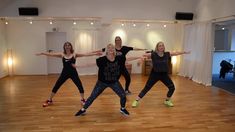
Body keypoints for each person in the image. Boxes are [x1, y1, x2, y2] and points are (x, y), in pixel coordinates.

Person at [36, 42, 101, 107]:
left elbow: (85, 54)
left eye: (68, 45)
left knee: (80, 85)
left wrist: (95, 54)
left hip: (73, 73)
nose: (67, 46)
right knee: (57, 85)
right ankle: (50, 100)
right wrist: (43, 53)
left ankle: (82, 99)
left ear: (71, 46)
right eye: (66, 45)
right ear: (64, 47)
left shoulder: (74, 54)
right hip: (64, 73)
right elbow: (51, 54)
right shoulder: (62, 54)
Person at [75, 43, 130, 117]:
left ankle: (122, 108)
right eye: (109, 48)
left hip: (114, 82)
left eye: (112, 48)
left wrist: (140, 57)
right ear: (106, 50)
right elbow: (90, 64)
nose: (111, 49)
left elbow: (129, 59)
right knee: (93, 96)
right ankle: (83, 109)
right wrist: (78, 66)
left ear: (114, 50)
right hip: (102, 82)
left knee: (123, 95)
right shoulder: (101, 60)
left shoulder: (120, 58)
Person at [132, 41, 190, 108]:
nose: (161, 47)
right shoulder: (153, 54)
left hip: (164, 74)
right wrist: (140, 60)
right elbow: (144, 55)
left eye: (162, 45)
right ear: (157, 47)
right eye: (160, 46)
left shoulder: (167, 54)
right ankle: (136, 101)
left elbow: (176, 53)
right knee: (147, 88)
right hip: (154, 74)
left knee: (172, 88)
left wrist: (184, 52)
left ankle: (167, 100)